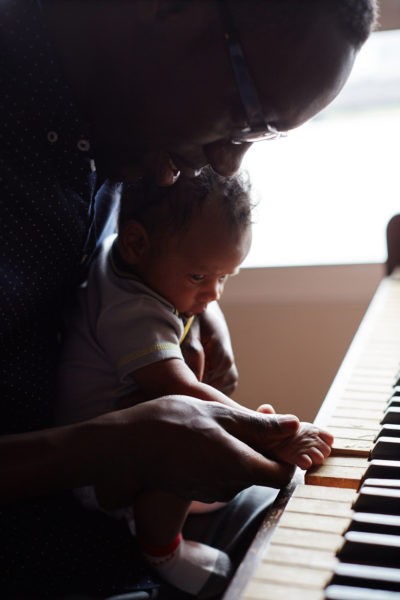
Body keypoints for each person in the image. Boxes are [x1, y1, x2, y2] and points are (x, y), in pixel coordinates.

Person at [0, 0, 377, 597]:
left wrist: (190, 300)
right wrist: (115, 445)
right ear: (172, 12)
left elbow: (115, 264)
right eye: (248, 115)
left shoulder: (117, 122)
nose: (227, 163)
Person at [56, 169, 333, 597]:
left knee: (206, 443)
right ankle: (162, 548)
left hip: (115, 445)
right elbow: (180, 391)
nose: (215, 293)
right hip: (100, 470)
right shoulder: (133, 315)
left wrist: (203, 306)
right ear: (136, 244)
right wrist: (264, 430)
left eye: (226, 277)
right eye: (201, 277)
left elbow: (189, 297)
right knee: (186, 437)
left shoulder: (131, 262)